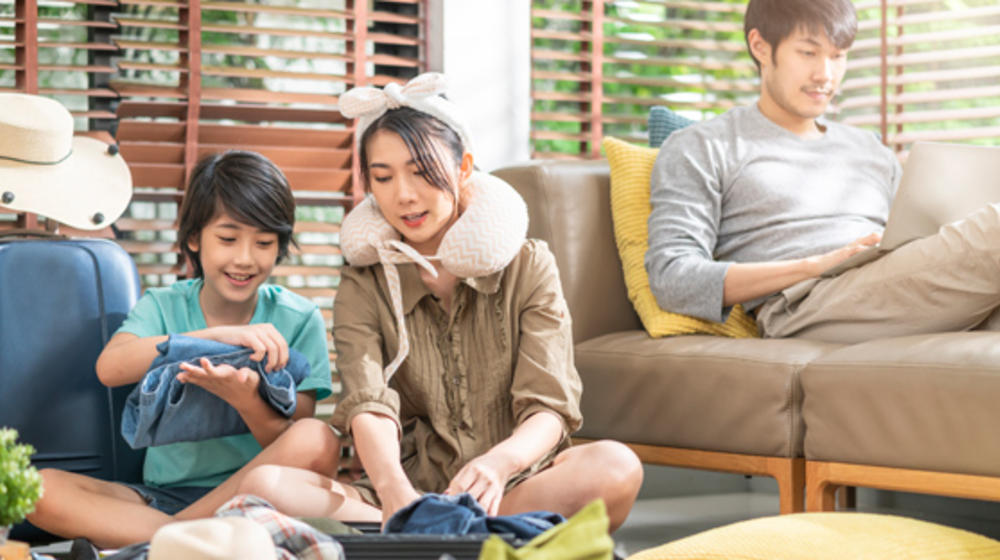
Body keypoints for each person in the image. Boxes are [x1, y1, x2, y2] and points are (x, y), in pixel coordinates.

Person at [234, 73, 643, 532]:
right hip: (402, 494)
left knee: (616, 466)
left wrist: (499, 464)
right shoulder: (361, 284)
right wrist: (395, 492)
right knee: (266, 486)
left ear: (463, 167)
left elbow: (548, 406)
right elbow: (369, 403)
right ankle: (446, 532)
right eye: (383, 177)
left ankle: (434, 535)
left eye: (421, 171)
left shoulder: (529, 264)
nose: (403, 195)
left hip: (511, 486)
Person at [27, 151, 337, 548]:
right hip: (162, 497)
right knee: (39, 489)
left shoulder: (299, 318)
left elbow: (296, 442)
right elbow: (111, 368)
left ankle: (174, 537)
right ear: (194, 237)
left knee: (317, 436)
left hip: (257, 495)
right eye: (228, 239)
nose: (244, 258)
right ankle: (186, 536)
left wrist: (246, 401)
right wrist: (216, 337)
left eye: (263, 242)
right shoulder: (164, 304)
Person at [646, 0, 1000, 343]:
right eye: (808, 53)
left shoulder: (870, 149)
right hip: (804, 302)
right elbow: (672, 277)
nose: (825, 75)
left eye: (838, 56)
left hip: (889, 282)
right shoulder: (704, 145)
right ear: (760, 47)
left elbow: (919, 249)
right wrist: (813, 265)